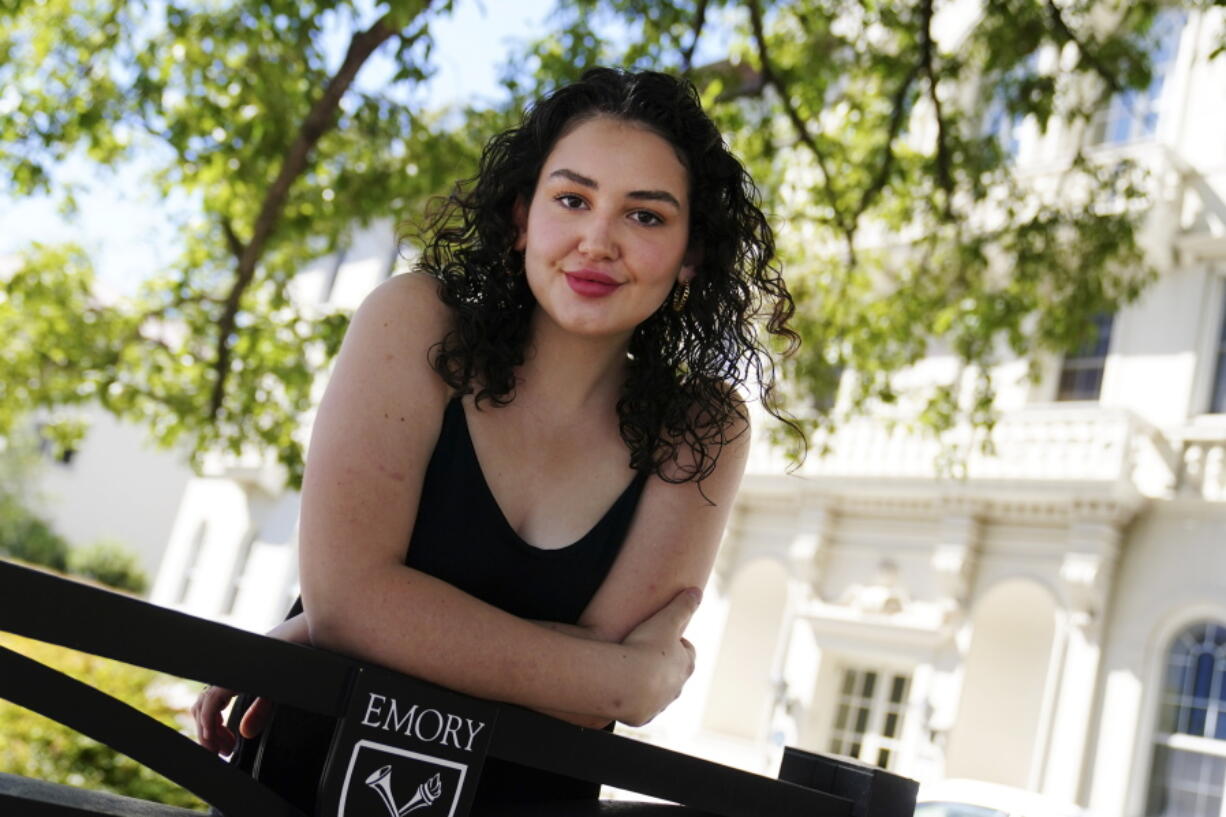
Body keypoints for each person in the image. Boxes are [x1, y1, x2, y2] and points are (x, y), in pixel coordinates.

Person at [191, 66, 798, 811]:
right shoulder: (413, 323)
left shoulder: (701, 427)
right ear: (521, 219)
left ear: (691, 256)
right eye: (572, 200)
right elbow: (599, 681)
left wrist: (354, 622)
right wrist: (622, 680)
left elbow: (576, 703)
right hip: (313, 783)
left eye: (646, 216)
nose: (597, 240)